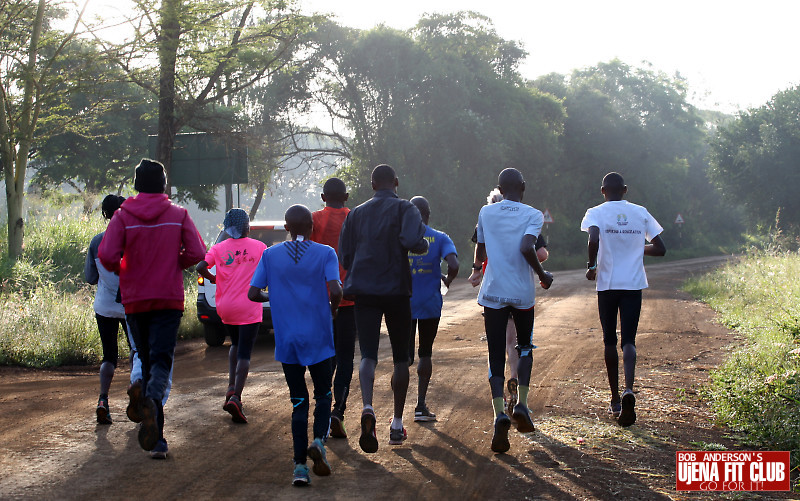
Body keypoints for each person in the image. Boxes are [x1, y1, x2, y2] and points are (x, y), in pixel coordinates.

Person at [99, 158, 206, 460]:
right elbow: (198, 252)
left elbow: (107, 255)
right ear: (163, 184)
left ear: (135, 185)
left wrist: (127, 269)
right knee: (162, 360)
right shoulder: (178, 214)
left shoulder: (122, 216)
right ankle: (151, 400)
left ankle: (157, 440)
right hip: (167, 299)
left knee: (146, 360)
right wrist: (174, 262)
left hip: (135, 300)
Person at [248, 204, 342, 487]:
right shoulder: (326, 253)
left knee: (299, 401)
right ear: (312, 227)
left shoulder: (270, 255)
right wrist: (333, 309)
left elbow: (253, 293)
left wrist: (275, 296)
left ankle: (299, 467)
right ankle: (318, 442)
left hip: (288, 340)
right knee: (324, 394)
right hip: (318, 338)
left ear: (287, 228)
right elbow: (336, 289)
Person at [338, 164, 428, 452]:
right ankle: (397, 424)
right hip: (396, 290)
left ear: (373, 184)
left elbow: (345, 256)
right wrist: (423, 246)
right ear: (396, 183)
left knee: (367, 354)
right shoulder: (406, 209)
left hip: (363, 291)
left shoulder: (356, 213)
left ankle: (367, 407)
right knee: (401, 359)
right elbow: (412, 241)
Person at [471, 168, 553, 454]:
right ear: (523, 186)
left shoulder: (486, 212)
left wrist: (474, 270)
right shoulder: (533, 214)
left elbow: (481, 250)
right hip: (521, 294)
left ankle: (498, 415)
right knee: (525, 346)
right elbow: (527, 247)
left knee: (495, 353)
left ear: (500, 188)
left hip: (492, 292)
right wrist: (542, 275)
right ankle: (522, 405)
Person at [580, 172, 666, 427]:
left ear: (603, 191)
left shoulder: (595, 212)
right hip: (633, 285)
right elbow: (661, 248)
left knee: (609, 340)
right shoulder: (640, 212)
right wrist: (637, 248)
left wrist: (591, 265)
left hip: (607, 285)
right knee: (629, 340)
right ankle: (629, 389)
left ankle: (616, 400)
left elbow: (593, 238)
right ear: (625, 190)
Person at [197, 208, 267, 424]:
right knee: (245, 352)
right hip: (249, 305)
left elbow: (200, 266)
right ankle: (236, 397)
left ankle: (230, 387)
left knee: (235, 345)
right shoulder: (260, 247)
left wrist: (213, 278)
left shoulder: (218, 248)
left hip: (226, 307)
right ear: (247, 226)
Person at [309, 178, 356, 439]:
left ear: (323, 197)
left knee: (326, 356)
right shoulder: (355, 218)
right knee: (346, 356)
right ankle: (339, 409)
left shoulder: (314, 219)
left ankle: (324, 412)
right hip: (349, 299)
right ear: (346, 197)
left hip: (321, 300)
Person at [407, 196, 458, 422]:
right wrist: (446, 280)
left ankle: (396, 413)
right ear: (428, 214)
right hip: (430, 304)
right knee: (425, 353)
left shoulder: (401, 238)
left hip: (402, 304)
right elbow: (454, 265)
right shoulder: (440, 237)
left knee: (402, 358)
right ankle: (420, 406)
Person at [85, 194, 128, 424]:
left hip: (104, 307)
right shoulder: (132, 239)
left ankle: (103, 400)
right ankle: (138, 398)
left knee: (109, 356)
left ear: (104, 214)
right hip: (131, 306)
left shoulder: (96, 242)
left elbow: (90, 277)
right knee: (138, 353)